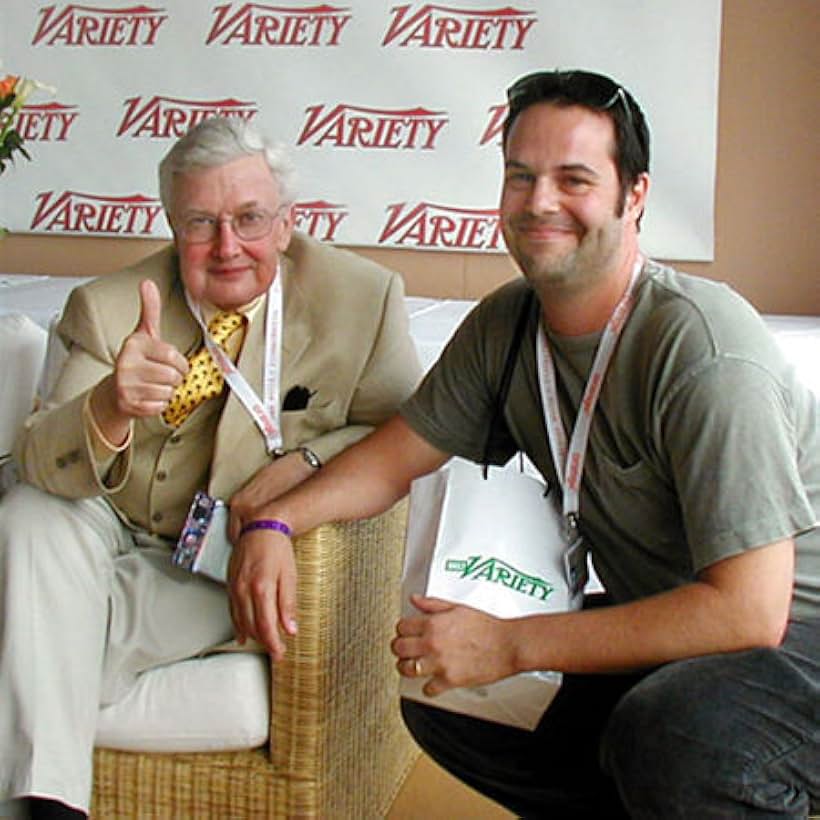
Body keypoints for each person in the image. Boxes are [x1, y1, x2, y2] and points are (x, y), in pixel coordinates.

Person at [226, 70, 819, 817]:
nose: (540, 202)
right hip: (683, 632)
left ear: (634, 195)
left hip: (796, 634)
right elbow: (391, 459)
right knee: (448, 700)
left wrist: (512, 644)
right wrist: (277, 523)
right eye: (520, 177)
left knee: (678, 735)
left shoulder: (700, 348)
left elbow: (749, 613)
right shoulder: (509, 325)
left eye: (574, 179)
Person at [0, 116, 420, 819]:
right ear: (173, 228)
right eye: (201, 224)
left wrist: (308, 464)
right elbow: (42, 462)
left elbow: (408, 430)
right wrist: (106, 407)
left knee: (36, 624)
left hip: (222, 557)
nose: (228, 247)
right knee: (32, 516)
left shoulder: (361, 300)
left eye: (250, 219)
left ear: (288, 224)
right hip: (102, 530)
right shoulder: (108, 308)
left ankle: (35, 667)